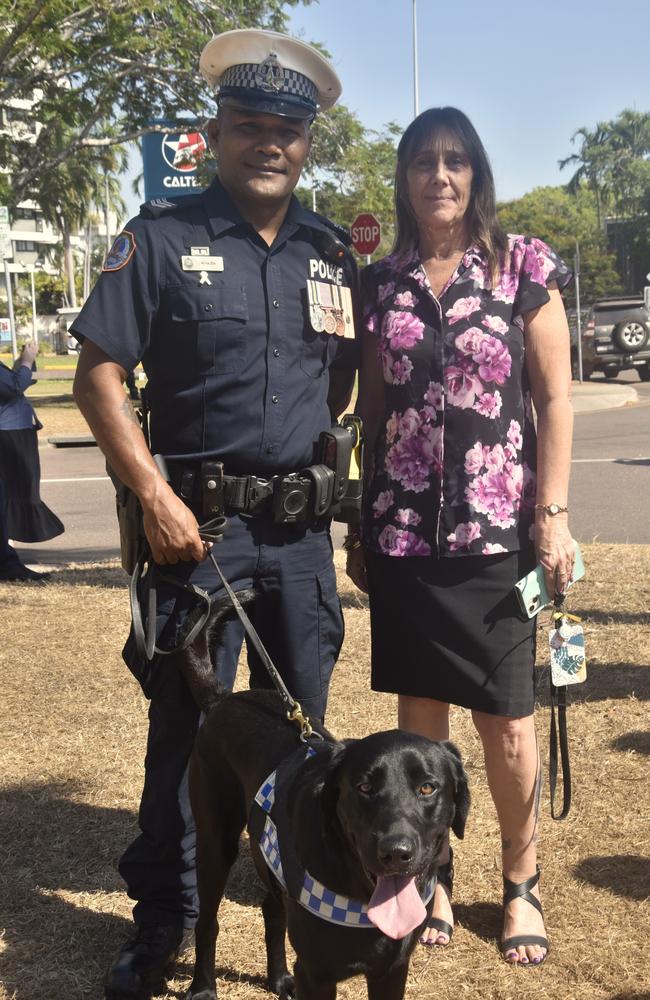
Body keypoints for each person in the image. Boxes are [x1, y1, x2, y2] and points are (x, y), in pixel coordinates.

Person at [72, 28, 357, 999]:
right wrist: (151, 493)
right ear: (215, 133)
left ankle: (302, 911)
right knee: (188, 742)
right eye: (249, 124)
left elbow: (348, 383)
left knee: (300, 739)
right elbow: (98, 372)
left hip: (301, 543)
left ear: (305, 142)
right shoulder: (158, 238)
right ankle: (164, 924)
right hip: (197, 539)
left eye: (286, 127)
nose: (267, 141)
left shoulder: (330, 253)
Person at [346, 106, 575, 967]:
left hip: (496, 542)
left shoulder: (521, 267)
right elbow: (371, 408)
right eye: (422, 163)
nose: (439, 176)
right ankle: (432, 871)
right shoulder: (380, 284)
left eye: (455, 161)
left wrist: (550, 513)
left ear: (476, 173)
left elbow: (554, 398)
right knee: (419, 730)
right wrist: (361, 519)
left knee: (509, 729)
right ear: (404, 179)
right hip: (405, 541)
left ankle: (521, 882)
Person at [0, 341, 64, 556]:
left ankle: (7, 547)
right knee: (18, 487)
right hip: (10, 433)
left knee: (21, 487)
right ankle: (6, 550)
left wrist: (22, 361)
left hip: (16, 430)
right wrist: (26, 361)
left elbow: (13, 382)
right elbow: (14, 387)